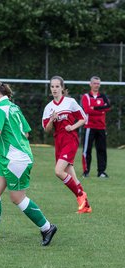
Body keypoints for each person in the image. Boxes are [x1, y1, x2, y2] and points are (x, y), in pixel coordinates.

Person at [0, 79, 57, 246]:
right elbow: (26, 133)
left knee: (18, 198)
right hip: (8, 158)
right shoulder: (14, 107)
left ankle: (47, 227)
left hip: (16, 160)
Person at [42, 75, 92, 214]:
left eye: (57, 86)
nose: (55, 89)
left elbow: (83, 118)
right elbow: (47, 129)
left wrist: (73, 127)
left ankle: (80, 195)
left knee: (58, 171)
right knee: (72, 176)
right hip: (59, 142)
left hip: (70, 140)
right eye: (52, 86)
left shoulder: (70, 102)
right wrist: (52, 120)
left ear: (62, 88)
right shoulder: (49, 107)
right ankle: (86, 205)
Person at [81, 76, 111, 178]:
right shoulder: (86, 96)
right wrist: (100, 110)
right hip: (89, 127)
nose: (96, 85)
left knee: (102, 150)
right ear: (90, 84)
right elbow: (87, 110)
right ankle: (86, 171)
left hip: (101, 127)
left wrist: (96, 108)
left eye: (98, 83)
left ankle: (101, 172)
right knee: (87, 150)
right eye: (94, 83)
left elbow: (108, 107)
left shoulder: (103, 96)